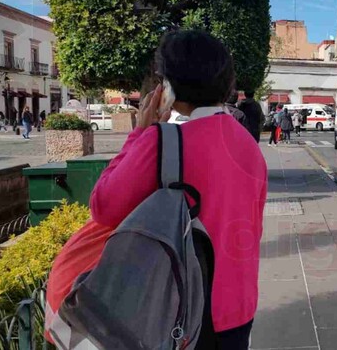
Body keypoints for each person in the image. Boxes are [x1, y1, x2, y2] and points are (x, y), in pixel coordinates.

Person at [88, 30, 267, 349]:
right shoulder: (248, 144)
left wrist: (140, 132)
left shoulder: (163, 141)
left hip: (181, 310)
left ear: (167, 87)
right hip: (238, 305)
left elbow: (103, 207)